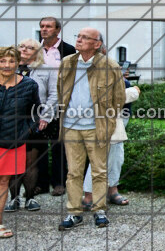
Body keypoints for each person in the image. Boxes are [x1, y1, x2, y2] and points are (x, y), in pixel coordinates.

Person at [56, 28, 126, 230]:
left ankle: (99, 210)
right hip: (71, 126)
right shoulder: (67, 63)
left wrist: (107, 121)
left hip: (97, 127)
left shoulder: (110, 66)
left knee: (99, 171)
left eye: (85, 38)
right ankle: (74, 213)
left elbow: (119, 98)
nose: (79, 40)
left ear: (97, 44)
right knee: (73, 172)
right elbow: (61, 93)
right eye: (78, 36)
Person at [82, 48, 139, 209]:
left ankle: (112, 191)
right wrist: (133, 92)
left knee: (116, 157)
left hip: (116, 120)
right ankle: (89, 196)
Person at [4, 39, 57, 212]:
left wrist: (45, 118)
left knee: (30, 162)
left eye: (30, 47)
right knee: (12, 163)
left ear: (38, 52)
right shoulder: (8, 68)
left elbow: (54, 95)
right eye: (22, 47)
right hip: (10, 124)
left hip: (36, 122)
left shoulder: (46, 69)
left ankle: (30, 197)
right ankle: (14, 198)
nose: (25, 50)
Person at [0, 46, 41, 239]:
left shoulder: (29, 85)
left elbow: (35, 111)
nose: (7, 65)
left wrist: (27, 130)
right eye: (2, 61)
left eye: (11, 61)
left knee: (3, 182)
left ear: (18, 62)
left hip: (12, 141)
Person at [39, 16, 75, 197]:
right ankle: (40, 183)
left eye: (48, 26)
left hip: (61, 101)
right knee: (38, 144)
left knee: (59, 142)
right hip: (38, 103)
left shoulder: (68, 50)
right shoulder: (35, 49)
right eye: (42, 26)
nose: (44, 29)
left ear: (57, 30)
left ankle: (59, 182)